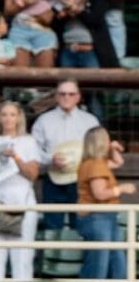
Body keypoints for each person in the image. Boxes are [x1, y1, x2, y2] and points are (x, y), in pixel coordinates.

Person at [0, 101, 40, 281]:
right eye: (4, 114)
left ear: (19, 118)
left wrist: (15, 157)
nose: (8, 118)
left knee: (22, 256)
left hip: (23, 200)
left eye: (12, 114)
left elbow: (32, 174)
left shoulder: (29, 142)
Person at [30, 78, 100, 230]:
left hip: (81, 180)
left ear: (78, 97)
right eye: (62, 94)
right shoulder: (44, 120)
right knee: (52, 225)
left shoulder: (90, 121)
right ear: (56, 96)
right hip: (53, 179)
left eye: (71, 94)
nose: (66, 97)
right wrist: (50, 159)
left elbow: (97, 150)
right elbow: (33, 149)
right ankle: (51, 254)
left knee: (82, 225)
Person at [75, 127, 135, 280]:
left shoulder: (95, 162)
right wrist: (121, 189)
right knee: (99, 260)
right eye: (107, 139)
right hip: (97, 217)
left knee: (116, 257)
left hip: (106, 216)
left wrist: (113, 149)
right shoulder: (95, 165)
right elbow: (100, 193)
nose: (110, 141)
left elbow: (118, 162)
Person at [53, 0, 119, 74]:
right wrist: (64, 13)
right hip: (68, 49)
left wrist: (74, 8)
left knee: (92, 88)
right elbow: (55, 25)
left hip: (91, 51)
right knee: (66, 86)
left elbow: (95, 20)